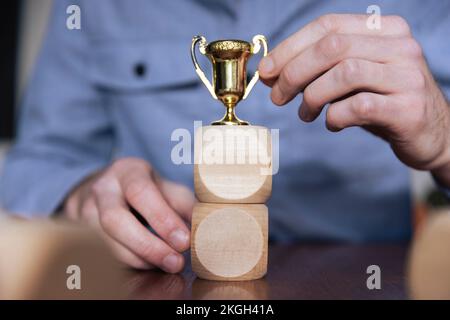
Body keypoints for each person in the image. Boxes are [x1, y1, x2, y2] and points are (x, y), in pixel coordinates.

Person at [1, 0, 449, 273]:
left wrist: (444, 141)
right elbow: (36, 163)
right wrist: (81, 196)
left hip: (363, 280)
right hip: (171, 279)